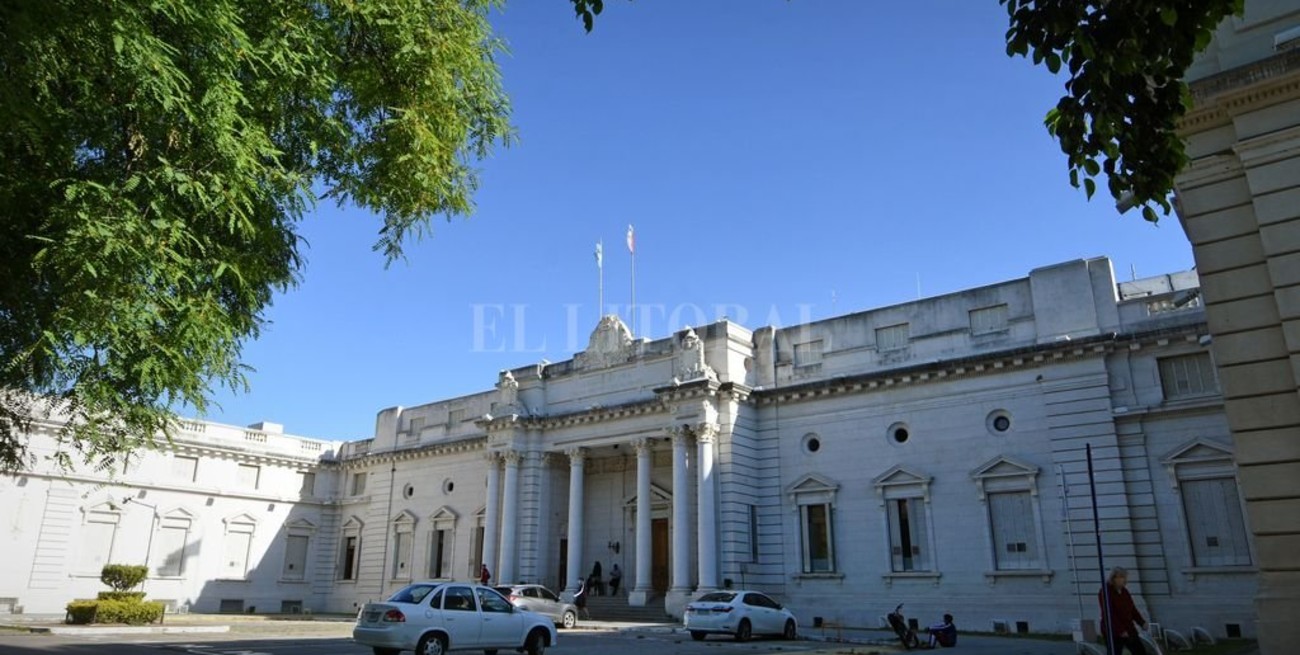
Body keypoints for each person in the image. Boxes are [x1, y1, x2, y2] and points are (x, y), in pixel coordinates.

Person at [1099, 566, 1148, 655]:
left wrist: (1141, 622)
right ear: (1114, 578)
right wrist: (1120, 630)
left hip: (1129, 627)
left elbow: (1132, 609)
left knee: (1140, 651)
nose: (1125, 580)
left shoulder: (1124, 591)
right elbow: (1109, 614)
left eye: (1125, 577)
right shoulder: (1105, 592)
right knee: (1115, 652)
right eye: (1122, 577)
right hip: (1113, 630)